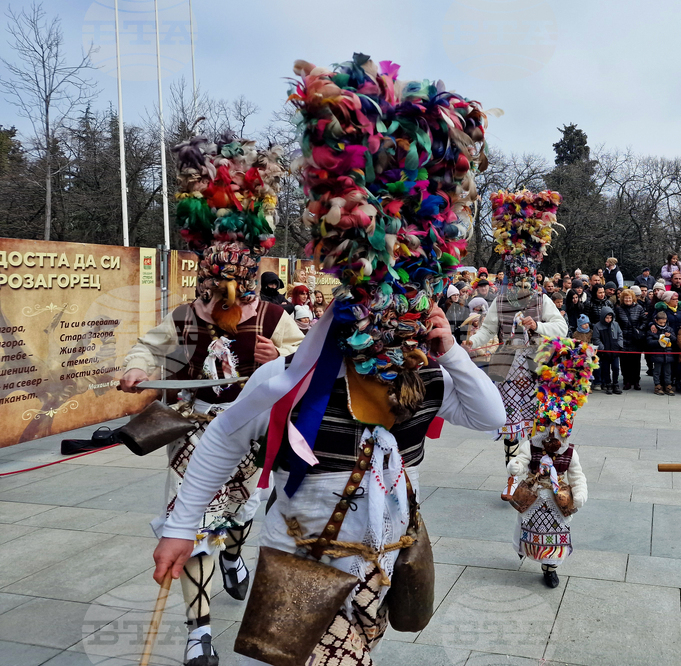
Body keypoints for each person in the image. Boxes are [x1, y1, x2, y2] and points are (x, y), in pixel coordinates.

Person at [152, 55, 504, 666]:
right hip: (302, 558)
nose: (393, 322)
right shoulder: (294, 376)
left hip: (384, 559)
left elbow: (491, 417)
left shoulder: (420, 374)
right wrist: (181, 527)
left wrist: (450, 352)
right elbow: (225, 437)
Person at [122, 131, 302, 666]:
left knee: (241, 512)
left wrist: (280, 362)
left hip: (250, 431)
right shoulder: (185, 316)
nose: (218, 303)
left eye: (232, 292)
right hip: (194, 432)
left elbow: (305, 371)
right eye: (209, 290)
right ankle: (198, 630)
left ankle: (234, 551)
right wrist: (137, 370)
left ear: (250, 285)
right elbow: (145, 348)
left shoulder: (275, 318)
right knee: (191, 523)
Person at [467, 189, 568, 466]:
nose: (522, 286)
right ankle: (513, 473)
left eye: (526, 281)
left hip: (538, 368)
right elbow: (487, 332)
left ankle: (536, 470)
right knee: (510, 424)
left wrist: (538, 326)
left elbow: (561, 328)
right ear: (509, 279)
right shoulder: (499, 301)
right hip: (506, 368)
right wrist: (472, 343)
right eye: (516, 281)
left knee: (539, 424)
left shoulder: (541, 298)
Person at [506, 337, 595, 588]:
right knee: (530, 529)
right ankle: (528, 550)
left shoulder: (570, 453)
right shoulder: (532, 445)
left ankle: (550, 567)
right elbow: (521, 461)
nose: (552, 435)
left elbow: (577, 476)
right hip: (534, 494)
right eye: (547, 428)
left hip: (558, 501)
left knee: (554, 537)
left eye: (558, 431)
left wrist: (580, 494)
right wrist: (515, 467)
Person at [615, 288, 647, 391]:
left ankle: (636, 381)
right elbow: (616, 323)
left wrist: (639, 329)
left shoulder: (639, 308)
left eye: (629, 298)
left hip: (635, 339)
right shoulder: (619, 309)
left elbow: (644, 321)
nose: (628, 300)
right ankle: (626, 380)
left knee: (635, 361)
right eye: (625, 298)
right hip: (623, 338)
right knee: (624, 362)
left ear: (633, 298)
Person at [593, 306, 623, 394]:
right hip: (605, 352)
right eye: (607, 318)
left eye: (610, 317)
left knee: (616, 368)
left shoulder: (615, 324)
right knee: (606, 369)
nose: (609, 319)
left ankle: (615, 383)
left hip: (614, 351)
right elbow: (596, 339)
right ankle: (608, 383)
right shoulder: (597, 326)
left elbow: (620, 334)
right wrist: (602, 348)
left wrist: (619, 344)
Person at [646, 310, 675, 395]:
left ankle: (667, 385)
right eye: (661, 323)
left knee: (667, 372)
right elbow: (649, 342)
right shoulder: (653, 330)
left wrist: (670, 336)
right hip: (657, 354)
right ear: (656, 321)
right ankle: (657, 385)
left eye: (664, 322)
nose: (662, 324)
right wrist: (658, 342)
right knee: (657, 371)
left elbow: (675, 340)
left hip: (668, 354)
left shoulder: (669, 329)